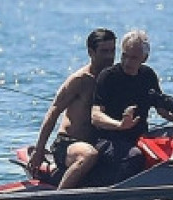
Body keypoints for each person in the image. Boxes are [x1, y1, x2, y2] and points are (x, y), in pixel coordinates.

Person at [89, 29, 173, 186]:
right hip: (108, 139)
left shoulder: (147, 75)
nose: (128, 62)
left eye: (134, 57)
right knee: (134, 156)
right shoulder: (108, 76)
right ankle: (115, 190)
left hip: (139, 136)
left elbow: (161, 107)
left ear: (144, 58)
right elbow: (95, 116)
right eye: (125, 56)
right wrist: (119, 125)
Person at [27, 28, 117, 189]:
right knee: (89, 155)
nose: (109, 57)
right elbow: (53, 113)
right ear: (91, 52)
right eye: (104, 51)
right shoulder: (80, 80)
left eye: (112, 51)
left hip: (97, 142)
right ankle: (61, 195)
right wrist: (39, 150)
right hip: (69, 145)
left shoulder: (114, 78)